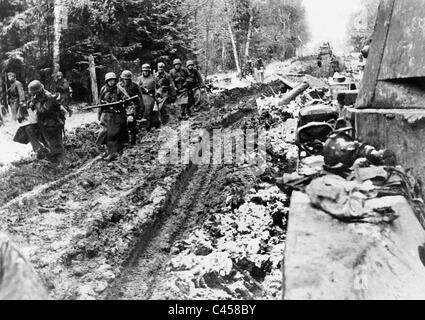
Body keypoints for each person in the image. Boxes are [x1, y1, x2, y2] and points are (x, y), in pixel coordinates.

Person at [26, 80, 65, 163]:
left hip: (53, 123)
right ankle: (43, 152)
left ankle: (61, 163)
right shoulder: (37, 96)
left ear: (39, 90)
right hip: (43, 122)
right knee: (29, 130)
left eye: (33, 92)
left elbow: (43, 110)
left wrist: (36, 104)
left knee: (56, 145)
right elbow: (31, 106)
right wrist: (32, 103)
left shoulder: (49, 97)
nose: (32, 94)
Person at [97, 72, 129, 161]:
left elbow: (127, 100)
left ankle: (113, 153)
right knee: (103, 132)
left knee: (112, 134)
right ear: (106, 81)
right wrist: (99, 116)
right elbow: (100, 102)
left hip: (117, 114)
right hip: (106, 113)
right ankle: (105, 150)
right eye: (109, 81)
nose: (111, 82)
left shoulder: (119, 89)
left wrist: (122, 101)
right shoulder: (103, 89)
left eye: (113, 80)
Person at [119, 70, 144, 146]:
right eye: (124, 79)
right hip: (122, 107)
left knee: (131, 122)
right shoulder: (119, 86)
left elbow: (140, 99)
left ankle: (133, 139)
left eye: (127, 79)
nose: (126, 81)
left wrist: (141, 111)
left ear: (130, 79)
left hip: (132, 107)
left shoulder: (135, 86)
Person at [137, 64, 160, 130]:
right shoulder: (139, 78)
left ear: (149, 71)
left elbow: (158, 87)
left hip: (151, 95)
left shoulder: (154, 78)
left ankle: (150, 125)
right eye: (144, 71)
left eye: (147, 71)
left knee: (149, 107)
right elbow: (137, 88)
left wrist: (157, 93)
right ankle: (142, 125)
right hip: (142, 95)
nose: (145, 72)